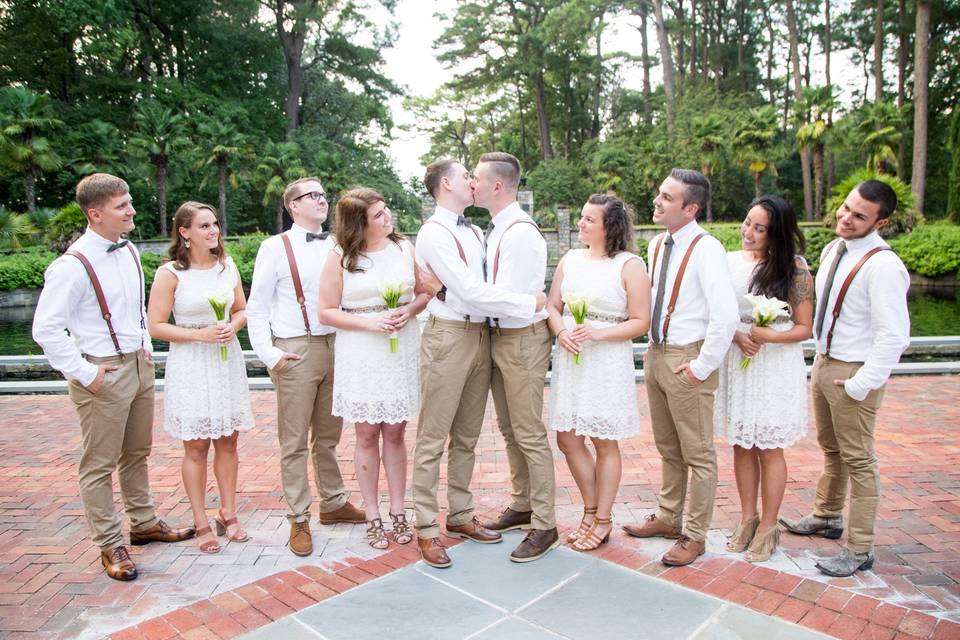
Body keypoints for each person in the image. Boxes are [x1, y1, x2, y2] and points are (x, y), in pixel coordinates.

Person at [32, 173, 194, 581]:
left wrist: (143, 348)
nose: (132, 210)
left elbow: (133, 308)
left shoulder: (129, 252)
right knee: (98, 464)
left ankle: (143, 524)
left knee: (137, 453)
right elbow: (46, 329)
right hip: (101, 370)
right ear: (95, 213)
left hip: (137, 365)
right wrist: (87, 373)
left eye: (130, 202)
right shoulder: (71, 266)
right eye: (122, 206)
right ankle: (109, 543)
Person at [411, 158, 546, 569]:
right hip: (449, 338)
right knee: (433, 437)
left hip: (483, 335)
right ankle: (426, 528)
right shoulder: (433, 233)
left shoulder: (473, 230)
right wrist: (530, 303)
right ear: (448, 183)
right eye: (466, 174)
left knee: (467, 435)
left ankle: (461, 515)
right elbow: (469, 290)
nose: (473, 180)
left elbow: (482, 290)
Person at [780, 180, 910, 577]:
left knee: (859, 459)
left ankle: (860, 548)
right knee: (831, 448)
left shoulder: (884, 266)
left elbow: (895, 336)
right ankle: (827, 515)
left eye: (859, 215)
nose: (846, 218)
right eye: (846, 208)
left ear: (881, 222)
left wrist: (860, 383)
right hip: (825, 361)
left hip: (853, 372)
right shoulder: (834, 248)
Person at [621, 168, 738, 567]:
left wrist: (702, 367)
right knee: (668, 448)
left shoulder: (708, 249)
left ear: (690, 209)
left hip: (688, 357)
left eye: (667, 198)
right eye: (660, 193)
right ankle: (669, 518)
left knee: (699, 454)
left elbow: (725, 316)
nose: (657, 201)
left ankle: (695, 534)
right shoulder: (657, 245)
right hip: (656, 353)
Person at [246, 177, 365, 558]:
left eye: (322, 195)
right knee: (294, 440)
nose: (321, 200)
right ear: (292, 206)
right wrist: (270, 353)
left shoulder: (337, 244)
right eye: (311, 195)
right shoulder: (274, 247)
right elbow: (257, 306)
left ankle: (333, 502)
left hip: (336, 345)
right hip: (295, 348)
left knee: (329, 436)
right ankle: (298, 516)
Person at [318, 188, 431, 549]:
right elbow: (326, 311)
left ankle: (399, 510)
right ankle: (372, 515)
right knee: (366, 433)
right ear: (359, 224)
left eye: (386, 211)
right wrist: (371, 324)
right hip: (361, 349)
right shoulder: (339, 256)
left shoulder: (404, 249)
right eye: (378, 215)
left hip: (399, 349)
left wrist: (408, 311)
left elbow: (427, 291)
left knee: (396, 433)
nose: (388, 218)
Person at [147, 201, 255, 554]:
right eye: (205, 226)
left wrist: (231, 326)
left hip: (226, 361)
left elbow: (242, 310)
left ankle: (229, 512)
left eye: (215, 225)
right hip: (191, 361)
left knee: (228, 441)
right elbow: (156, 326)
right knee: (196, 446)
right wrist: (199, 334)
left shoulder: (228, 266)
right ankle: (200, 520)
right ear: (185, 232)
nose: (213, 231)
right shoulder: (170, 274)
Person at [547, 194, 651, 551]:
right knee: (568, 439)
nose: (581, 223)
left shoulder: (629, 264)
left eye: (590, 219)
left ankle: (603, 519)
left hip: (606, 360)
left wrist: (599, 334)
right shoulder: (570, 260)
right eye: (582, 216)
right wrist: (562, 333)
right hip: (571, 357)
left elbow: (641, 321)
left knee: (604, 442)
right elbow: (552, 306)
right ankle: (590, 510)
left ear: (610, 227)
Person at [469, 152, 558, 562]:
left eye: (476, 178)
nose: (471, 183)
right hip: (501, 336)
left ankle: (545, 523)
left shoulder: (520, 232)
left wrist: (463, 294)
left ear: (497, 186)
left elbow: (512, 302)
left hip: (521, 338)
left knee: (528, 431)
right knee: (509, 428)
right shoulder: (497, 227)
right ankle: (522, 503)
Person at [714, 196, 813, 563]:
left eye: (760, 228)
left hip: (773, 365)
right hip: (740, 358)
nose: (748, 232)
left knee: (769, 447)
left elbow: (804, 328)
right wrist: (736, 335)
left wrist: (771, 336)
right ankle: (746, 519)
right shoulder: (726, 262)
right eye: (747, 222)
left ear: (778, 234)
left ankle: (769, 526)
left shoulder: (795, 270)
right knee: (741, 443)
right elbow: (719, 312)